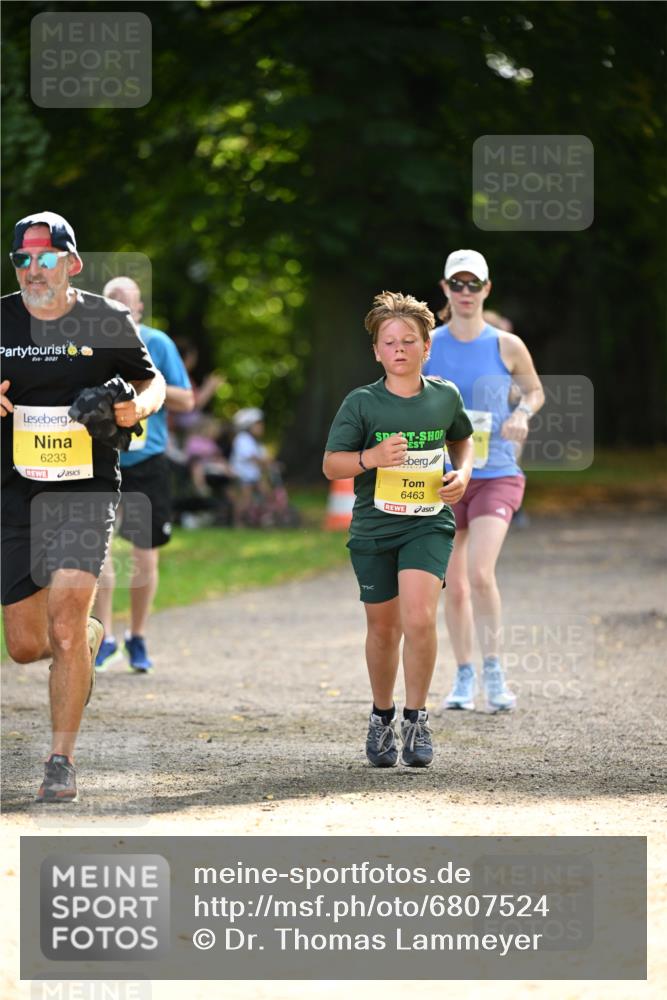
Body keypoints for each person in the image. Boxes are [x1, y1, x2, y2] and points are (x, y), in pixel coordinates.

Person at [0, 211, 165, 802]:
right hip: (15, 491)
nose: (33, 269)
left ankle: (60, 761)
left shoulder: (106, 318)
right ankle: (93, 636)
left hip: (85, 488)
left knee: (64, 625)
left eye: (45, 258)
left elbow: (151, 382)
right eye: (22, 259)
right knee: (26, 644)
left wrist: (137, 409)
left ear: (71, 263)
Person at [323, 291, 473, 768]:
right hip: (374, 529)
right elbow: (331, 464)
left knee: (420, 617)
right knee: (384, 629)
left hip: (427, 525)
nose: (400, 349)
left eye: (409, 340)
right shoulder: (362, 403)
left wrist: (462, 474)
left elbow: (462, 439)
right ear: (377, 351)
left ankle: (416, 718)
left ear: (427, 346)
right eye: (389, 342)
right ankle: (381, 716)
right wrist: (371, 457)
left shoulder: (445, 396)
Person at [423, 249, 544, 712]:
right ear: (445, 288)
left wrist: (521, 413)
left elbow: (535, 391)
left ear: (487, 289)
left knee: (479, 573)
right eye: (458, 284)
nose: (466, 292)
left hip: (497, 473)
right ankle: (463, 675)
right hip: (446, 475)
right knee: (453, 583)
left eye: (474, 284)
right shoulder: (428, 345)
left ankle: (493, 671)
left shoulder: (506, 345)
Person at [92, 277, 194, 673]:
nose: (119, 309)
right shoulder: (88, 344)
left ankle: (137, 636)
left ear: (138, 308)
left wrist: (146, 388)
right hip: (100, 459)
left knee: (144, 555)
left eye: (126, 303)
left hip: (146, 462)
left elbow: (187, 399)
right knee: (97, 552)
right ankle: (104, 637)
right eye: (111, 302)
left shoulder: (158, 343)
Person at [229, 407, 271, 524]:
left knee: (266, 492)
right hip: (242, 475)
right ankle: (238, 522)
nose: (261, 427)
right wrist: (264, 462)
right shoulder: (242, 439)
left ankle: (261, 518)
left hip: (253, 475)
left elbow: (264, 457)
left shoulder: (256, 442)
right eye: (258, 424)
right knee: (245, 499)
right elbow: (252, 457)